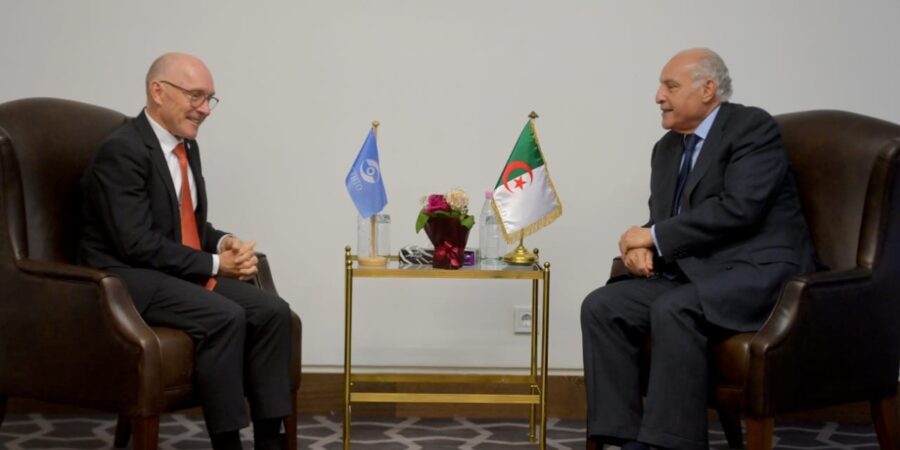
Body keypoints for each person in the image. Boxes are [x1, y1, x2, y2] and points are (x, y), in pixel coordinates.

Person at [581, 48, 815, 450]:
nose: (658, 96)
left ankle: (672, 444)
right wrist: (642, 246)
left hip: (757, 272)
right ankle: (624, 438)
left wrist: (652, 237)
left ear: (708, 90)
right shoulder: (667, 148)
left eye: (670, 86)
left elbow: (740, 208)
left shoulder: (751, 128)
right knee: (603, 306)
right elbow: (665, 219)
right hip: (697, 272)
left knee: (674, 308)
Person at [79, 52, 293, 450]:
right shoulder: (122, 150)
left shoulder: (186, 147)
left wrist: (223, 242)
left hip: (169, 270)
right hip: (126, 279)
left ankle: (270, 441)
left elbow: (185, 226)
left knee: (273, 312)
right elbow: (135, 242)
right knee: (225, 316)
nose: (205, 109)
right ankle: (227, 443)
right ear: (158, 91)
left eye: (210, 99)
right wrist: (216, 264)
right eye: (196, 96)